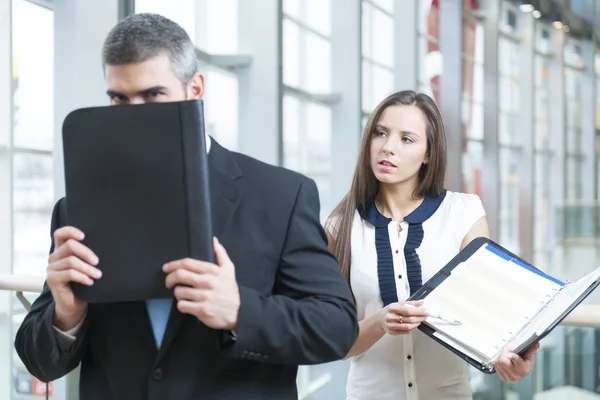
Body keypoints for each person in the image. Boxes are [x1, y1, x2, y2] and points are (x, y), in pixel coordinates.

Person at [14, 13, 358, 400]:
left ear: (195, 88)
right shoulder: (77, 208)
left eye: (153, 94)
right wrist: (65, 315)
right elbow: (39, 360)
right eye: (119, 99)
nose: (136, 114)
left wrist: (240, 311)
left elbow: (337, 327)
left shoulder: (280, 196)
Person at [325, 90, 539, 400]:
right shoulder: (340, 226)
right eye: (380, 133)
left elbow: (486, 312)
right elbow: (337, 344)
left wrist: (510, 357)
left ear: (428, 153)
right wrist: (379, 321)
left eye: (406, 139)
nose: (387, 147)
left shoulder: (464, 213)